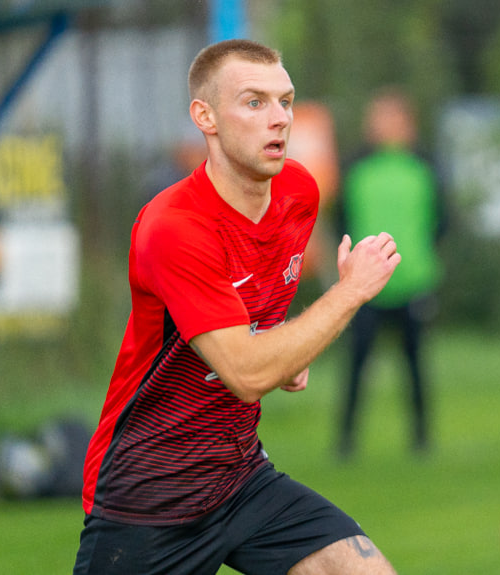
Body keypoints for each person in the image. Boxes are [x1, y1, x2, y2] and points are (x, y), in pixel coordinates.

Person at [73, 40, 401, 575]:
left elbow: (259, 318)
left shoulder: (298, 191)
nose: (279, 119)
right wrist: (349, 291)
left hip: (240, 475)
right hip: (150, 492)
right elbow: (247, 372)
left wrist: (288, 353)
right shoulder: (174, 227)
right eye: (254, 103)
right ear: (205, 117)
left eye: (286, 101)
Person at [336, 88, 444, 458]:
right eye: (377, 118)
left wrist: (423, 260)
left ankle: (421, 439)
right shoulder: (356, 169)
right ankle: (346, 440)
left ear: (407, 123)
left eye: (391, 117)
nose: (383, 125)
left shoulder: (424, 167)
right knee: (356, 363)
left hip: (412, 281)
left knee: (414, 365)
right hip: (365, 286)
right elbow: (342, 220)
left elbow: (440, 220)